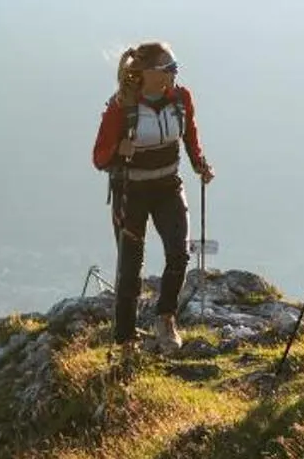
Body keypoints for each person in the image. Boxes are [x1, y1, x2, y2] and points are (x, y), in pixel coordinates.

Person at [91, 41, 214, 352]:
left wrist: (200, 164)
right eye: (169, 68)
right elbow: (99, 157)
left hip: (168, 186)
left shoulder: (181, 99)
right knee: (130, 266)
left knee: (179, 253)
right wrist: (118, 150)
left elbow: (190, 134)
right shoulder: (121, 107)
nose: (175, 74)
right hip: (131, 192)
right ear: (149, 73)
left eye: (175, 68)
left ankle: (165, 318)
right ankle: (125, 339)